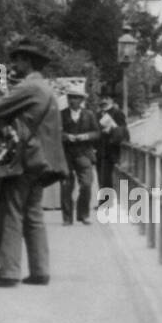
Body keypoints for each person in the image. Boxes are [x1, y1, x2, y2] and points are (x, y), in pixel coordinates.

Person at [0, 40, 66, 287]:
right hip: (42, 161)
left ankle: (8, 272)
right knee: (33, 214)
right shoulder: (45, 88)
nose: (13, 65)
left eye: (16, 60)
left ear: (28, 62)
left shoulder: (28, 88)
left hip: (25, 158)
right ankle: (40, 271)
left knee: (11, 213)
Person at [60, 86, 100, 225]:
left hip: (84, 154)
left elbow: (97, 133)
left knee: (87, 184)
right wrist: (67, 136)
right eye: (70, 97)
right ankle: (67, 218)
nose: (72, 100)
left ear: (81, 100)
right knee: (66, 186)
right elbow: (56, 133)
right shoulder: (61, 114)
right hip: (66, 154)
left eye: (75, 98)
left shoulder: (89, 114)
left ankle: (83, 214)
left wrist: (85, 136)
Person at [96, 92, 129, 191]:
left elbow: (124, 131)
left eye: (107, 98)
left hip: (113, 150)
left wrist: (112, 130)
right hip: (100, 150)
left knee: (110, 178)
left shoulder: (117, 113)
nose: (104, 101)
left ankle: (107, 203)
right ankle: (104, 202)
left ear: (112, 100)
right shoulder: (97, 114)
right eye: (102, 98)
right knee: (101, 178)